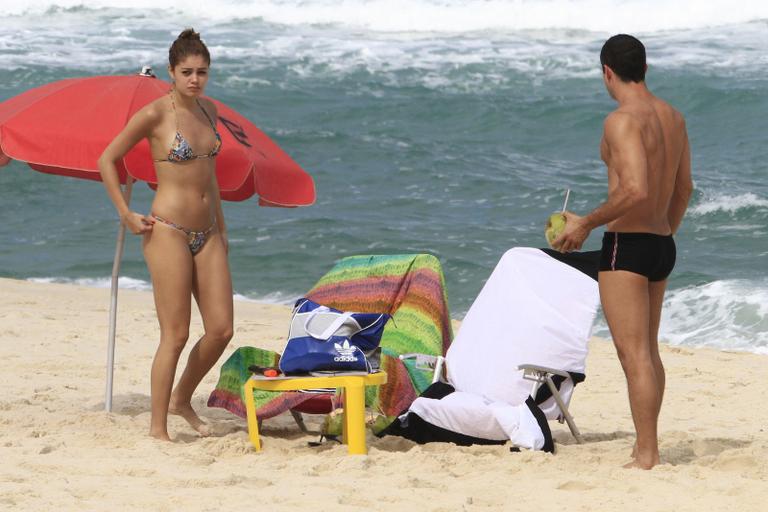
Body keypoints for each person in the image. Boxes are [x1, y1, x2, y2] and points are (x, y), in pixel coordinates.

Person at [553, 34, 693, 469]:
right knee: (647, 352)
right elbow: (683, 187)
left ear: (607, 72)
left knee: (633, 356)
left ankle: (647, 452)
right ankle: (644, 445)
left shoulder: (620, 120)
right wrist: (665, 229)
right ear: (645, 69)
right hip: (660, 243)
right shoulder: (674, 117)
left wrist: (584, 224)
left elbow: (634, 189)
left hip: (627, 248)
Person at [99, 29, 233, 441]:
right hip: (167, 230)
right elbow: (108, 158)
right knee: (175, 334)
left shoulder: (209, 112)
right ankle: (158, 429)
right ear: (172, 72)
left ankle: (181, 398)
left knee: (221, 330)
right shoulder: (155, 114)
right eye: (187, 72)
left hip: (207, 230)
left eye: (202, 72)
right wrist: (125, 213)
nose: (195, 79)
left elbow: (209, 180)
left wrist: (223, 232)